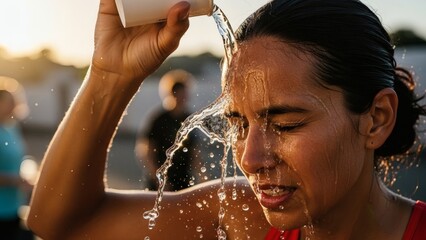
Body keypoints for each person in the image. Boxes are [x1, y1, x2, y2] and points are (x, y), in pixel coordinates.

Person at [27, 0, 426, 239]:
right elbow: (60, 223)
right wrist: (109, 78)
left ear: (376, 119)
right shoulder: (243, 216)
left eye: (285, 124)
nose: (250, 159)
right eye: (238, 124)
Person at [135, 69, 198, 191]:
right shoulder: (159, 119)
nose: (184, 97)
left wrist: (202, 176)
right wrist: (158, 178)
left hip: (183, 181)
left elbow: (195, 150)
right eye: (180, 94)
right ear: (172, 93)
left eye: (185, 94)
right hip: (160, 183)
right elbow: (146, 151)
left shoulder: (189, 119)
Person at [0, 90, 32, 239]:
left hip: (13, 206)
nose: (13, 106)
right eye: (8, 102)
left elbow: (18, 160)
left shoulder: (12, 128)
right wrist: (16, 181)